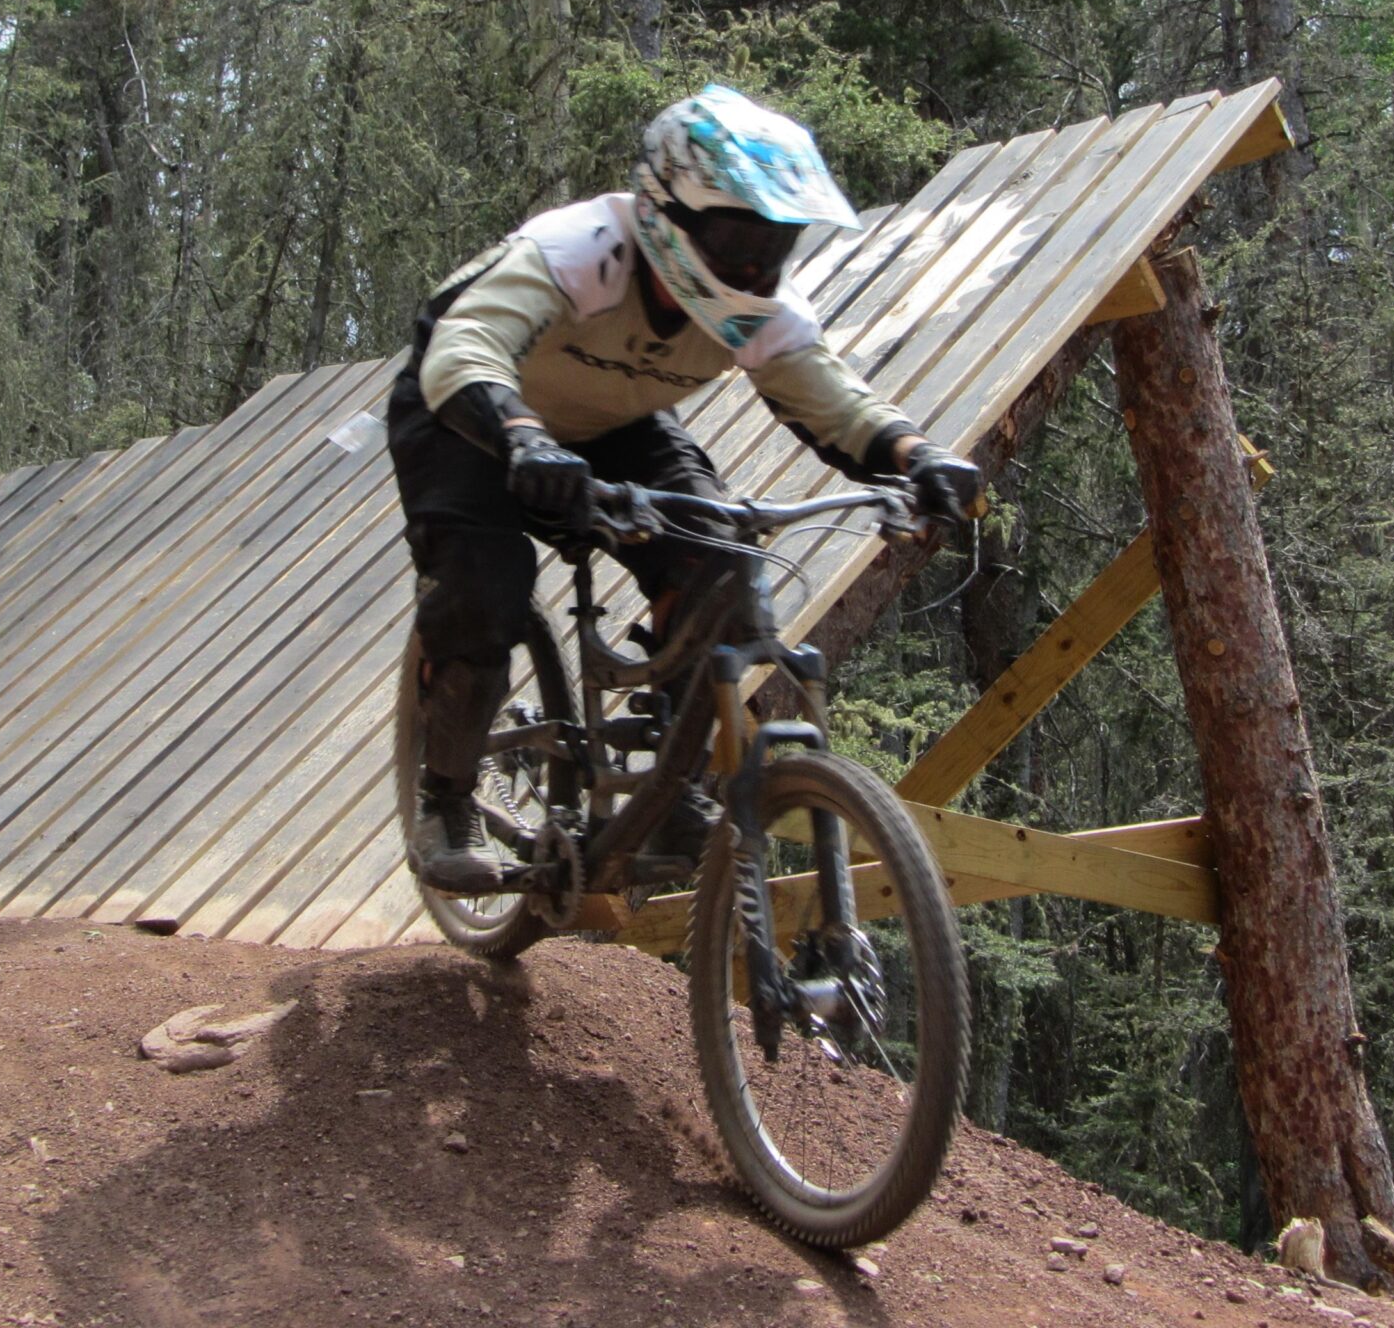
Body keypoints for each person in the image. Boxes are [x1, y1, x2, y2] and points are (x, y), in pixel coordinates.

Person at [386, 84, 982, 891]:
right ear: (666, 211)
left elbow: (832, 399)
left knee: (724, 565)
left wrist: (917, 456)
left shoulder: (758, 307)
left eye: (773, 243)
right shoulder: (582, 248)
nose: (751, 265)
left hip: (614, 424)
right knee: (485, 586)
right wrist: (522, 438)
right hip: (470, 414)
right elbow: (463, 350)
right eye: (736, 237)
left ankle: (672, 782)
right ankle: (446, 797)